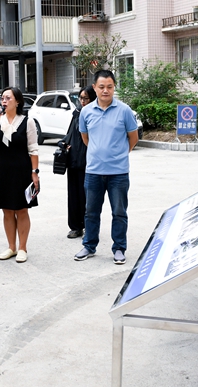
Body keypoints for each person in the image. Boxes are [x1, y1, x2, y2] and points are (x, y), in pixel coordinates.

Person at [74, 70, 138, 264]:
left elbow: (133, 137)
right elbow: (85, 138)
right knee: (91, 212)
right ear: (94, 87)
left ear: (114, 87)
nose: (105, 90)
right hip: (93, 171)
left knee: (119, 212)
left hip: (118, 173)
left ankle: (119, 248)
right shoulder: (86, 112)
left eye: (109, 87)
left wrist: (119, 154)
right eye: (101, 87)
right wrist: (99, 153)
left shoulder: (124, 110)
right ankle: (89, 245)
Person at [0, 87, 39, 263]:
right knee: (7, 209)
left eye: (8, 98)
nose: (4, 101)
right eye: (2, 98)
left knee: (21, 209)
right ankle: (11, 247)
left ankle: (23, 247)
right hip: (2, 169)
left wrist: (35, 172)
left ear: (18, 101)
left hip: (22, 169)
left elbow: (33, 149)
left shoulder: (27, 121)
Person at [61, 85, 97, 239]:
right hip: (73, 160)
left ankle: (89, 227)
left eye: (86, 98)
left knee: (87, 197)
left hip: (89, 161)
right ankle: (75, 227)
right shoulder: (76, 113)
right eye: (80, 98)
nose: (82, 101)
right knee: (73, 195)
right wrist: (63, 143)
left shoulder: (96, 114)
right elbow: (70, 134)